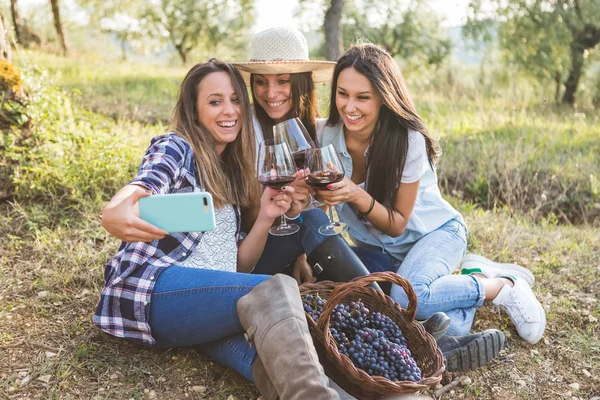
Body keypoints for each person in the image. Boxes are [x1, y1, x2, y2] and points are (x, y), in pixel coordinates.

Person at [94, 59, 342, 399]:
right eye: (215, 101)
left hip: (201, 302)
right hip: (152, 289)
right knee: (275, 289)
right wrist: (117, 207)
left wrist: (267, 215)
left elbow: (237, 267)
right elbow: (146, 182)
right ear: (194, 111)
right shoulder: (177, 147)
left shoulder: (231, 169)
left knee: (273, 358)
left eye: (235, 100)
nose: (230, 111)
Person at [315, 44, 547, 360]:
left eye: (362, 97)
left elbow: (396, 225)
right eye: (342, 94)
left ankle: (502, 286)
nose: (349, 106)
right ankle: (474, 276)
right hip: (382, 253)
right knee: (440, 327)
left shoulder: (407, 140)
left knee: (413, 300)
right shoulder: (325, 136)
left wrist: (356, 194)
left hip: (436, 235)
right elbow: (318, 205)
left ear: (384, 97)